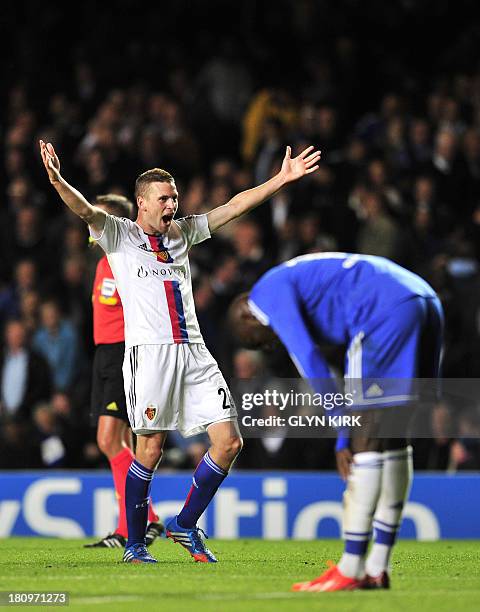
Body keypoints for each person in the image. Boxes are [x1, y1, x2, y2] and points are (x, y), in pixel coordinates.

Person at [39, 138, 320, 564]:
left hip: (194, 354)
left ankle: (184, 524)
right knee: (148, 451)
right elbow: (85, 210)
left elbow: (234, 207)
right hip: (149, 357)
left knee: (229, 443)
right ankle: (134, 545)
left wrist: (280, 179)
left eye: (175, 196)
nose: (172, 204)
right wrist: (58, 180)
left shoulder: (183, 232)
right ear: (142, 203)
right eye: (164, 198)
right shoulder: (119, 235)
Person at [229, 252, 443, 591]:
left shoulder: (264, 295)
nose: (269, 346)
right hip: (423, 300)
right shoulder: (296, 278)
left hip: (381, 310)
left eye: (258, 340)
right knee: (394, 439)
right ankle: (377, 566)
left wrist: (343, 431)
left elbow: (309, 360)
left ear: (247, 314)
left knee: (365, 443)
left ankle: (351, 567)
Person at [84, 194, 163, 549]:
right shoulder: (103, 263)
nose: (90, 228)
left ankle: (147, 517)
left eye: (97, 221)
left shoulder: (126, 260)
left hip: (122, 353)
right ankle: (132, 525)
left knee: (107, 439)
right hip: (104, 354)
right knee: (119, 441)